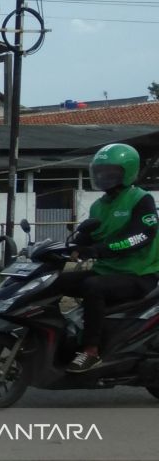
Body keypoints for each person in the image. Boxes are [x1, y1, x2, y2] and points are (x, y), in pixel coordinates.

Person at [55, 143, 159, 373]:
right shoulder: (98, 206)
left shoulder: (141, 200)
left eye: (111, 172)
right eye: (100, 172)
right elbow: (86, 236)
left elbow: (141, 236)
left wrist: (100, 250)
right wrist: (65, 249)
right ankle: (56, 337)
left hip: (139, 274)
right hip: (109, 270)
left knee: (93, 287)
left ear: (128, 172)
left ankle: (91, 351)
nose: (103, 177)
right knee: (57, 280)